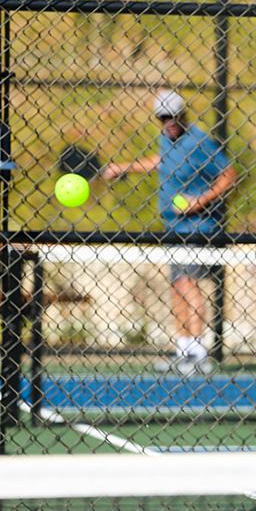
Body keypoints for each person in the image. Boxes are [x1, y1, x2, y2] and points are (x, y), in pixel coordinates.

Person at [101, 89, 238, 375]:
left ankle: (199, 352)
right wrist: (122, 168)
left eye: (173, 116)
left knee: (189, 284)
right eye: (163, 117)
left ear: (183, 114)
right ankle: (184, 347)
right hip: (173, 227)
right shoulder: (166, 139)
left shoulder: (199, 141)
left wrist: (199, 201)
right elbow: (159, 161)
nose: (169, 122)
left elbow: (229, 174)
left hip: (199, 226)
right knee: (178, 287)